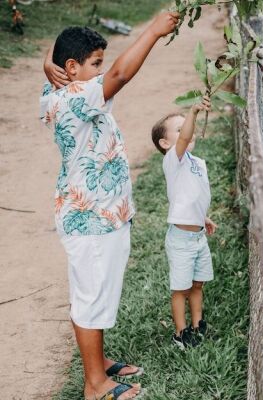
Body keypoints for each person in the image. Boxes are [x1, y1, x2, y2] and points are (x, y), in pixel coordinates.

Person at [39, 12, 179, 400]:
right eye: (95, 64)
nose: (102, 72)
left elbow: (80, 71)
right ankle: (95, 384)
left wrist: (44, 64)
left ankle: (97, 365)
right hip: (92, 220)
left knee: (96, 293)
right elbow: (120, 75)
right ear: (71, 67)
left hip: (97, 214)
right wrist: (152, 30)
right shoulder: (75, 97)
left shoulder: (53, 92)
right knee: (90, 299)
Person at [150, 96, 216, 349]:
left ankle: (198, 324)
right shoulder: (173, 161)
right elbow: (186, 138)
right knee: (181, 288)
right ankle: (180, 332)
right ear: (165, 143)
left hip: (198, 237)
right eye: (179, 129)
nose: (187, 132)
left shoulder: (197, 163)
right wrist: (193, 111)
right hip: (180, 241)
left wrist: (203, 217)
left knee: (198, 284)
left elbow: (193, 196)